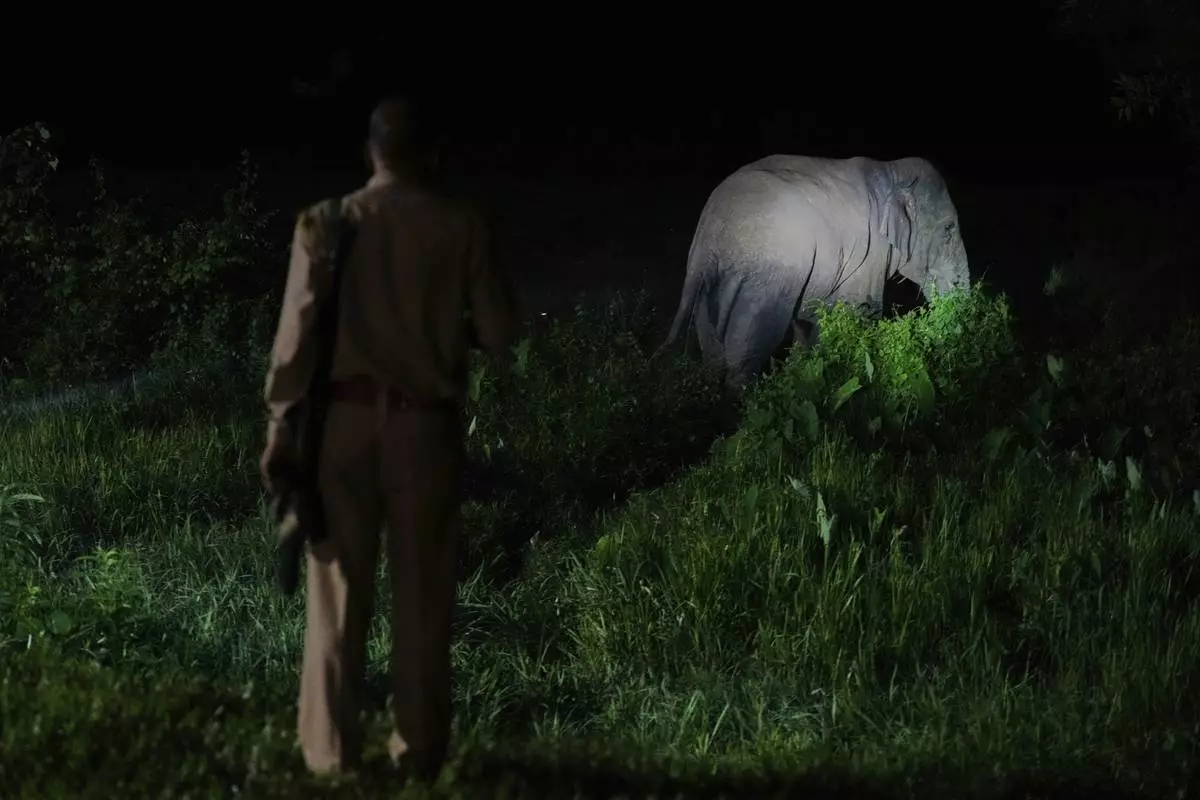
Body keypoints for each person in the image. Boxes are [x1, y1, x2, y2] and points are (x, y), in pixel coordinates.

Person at [258, 96, 520, 781]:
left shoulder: (324, 222)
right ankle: (419, 752)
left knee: (335, 596)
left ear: (370, 153)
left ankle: (331, 758)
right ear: (432, 154)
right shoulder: (462, 224)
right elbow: (500, 332)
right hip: (424, 429)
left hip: (340, 429)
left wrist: (281, 429)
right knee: (423, 597)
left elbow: (294, 342)